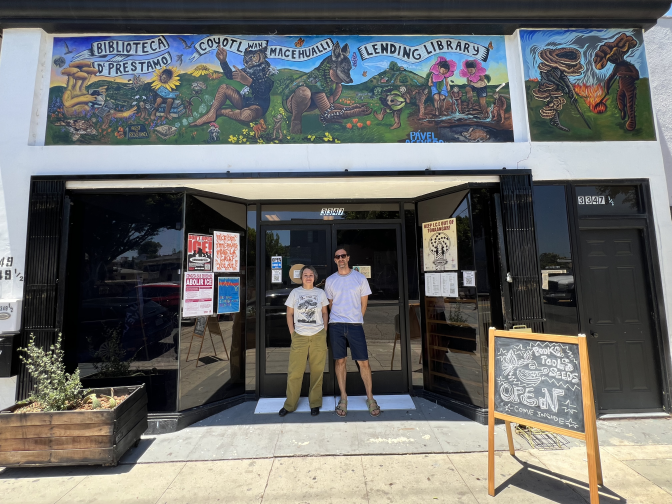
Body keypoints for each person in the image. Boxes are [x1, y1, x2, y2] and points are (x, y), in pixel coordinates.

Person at [325, 246, 381, 417]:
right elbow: (331, 304)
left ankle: (370, 397)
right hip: (336, 325)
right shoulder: (330, 280)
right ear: (335, 260)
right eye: (337, 256)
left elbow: (364, 304)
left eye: (343, 256)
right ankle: (343, 397)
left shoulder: (359, 278)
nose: (340, 259)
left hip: (355, 325)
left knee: (363, 361)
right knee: (340, 362)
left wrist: (356, 318)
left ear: (348, 258)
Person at [278, 265, 329, 417]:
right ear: (301, 277)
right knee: (295, 372)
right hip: (299, 336)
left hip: (318, 335)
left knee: (317, 371)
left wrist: (324, 330)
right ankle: (290, 404)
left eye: (311, 275)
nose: (308, 277)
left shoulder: (320, 293)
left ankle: (315, 403)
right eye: (305, 274)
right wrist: (292, 332)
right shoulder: (295, 293)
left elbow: (325, 312)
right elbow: (289, 314)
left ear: (315, 277)